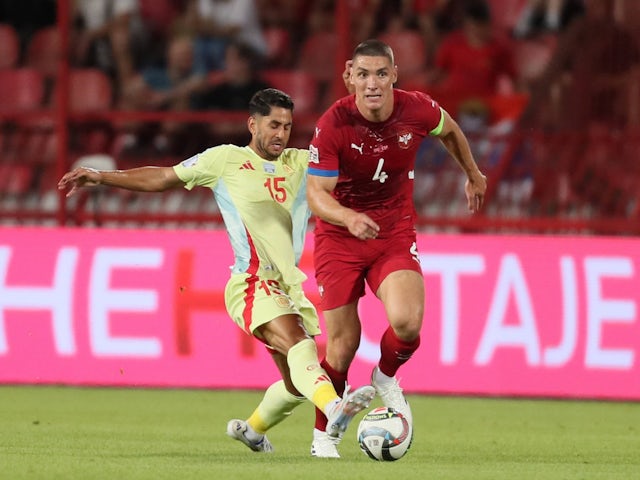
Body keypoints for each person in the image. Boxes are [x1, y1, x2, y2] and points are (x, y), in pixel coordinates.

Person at [58, 88, 375, 454]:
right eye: (273, 125)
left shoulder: (301, 163)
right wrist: (101, 176)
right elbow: (163, 178)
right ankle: (335, 407)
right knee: (301, 347)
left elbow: (352, 162)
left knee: (295, 382)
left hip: (288, 286)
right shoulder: (224, 160)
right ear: (252, 124)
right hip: (253, 283)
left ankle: (252, 431)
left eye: (287, 127)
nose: (280, 134)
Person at [306, 39, 487, 458]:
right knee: (342, 345)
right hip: (339, 236)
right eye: (364, 74)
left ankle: (385, 376)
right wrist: (348, 217)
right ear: (349, 74)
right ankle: (324, 435)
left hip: (392, 232)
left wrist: (473, 173)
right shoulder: (333, 123)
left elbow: (451, 131)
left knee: (407, 323)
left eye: (381, 74)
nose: (373, 84)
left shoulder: (417, 108)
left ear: (394, 75)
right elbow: (317, 194)